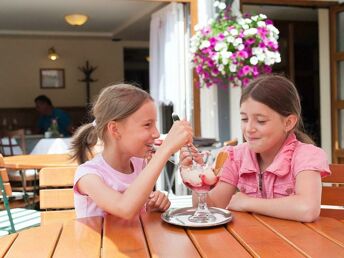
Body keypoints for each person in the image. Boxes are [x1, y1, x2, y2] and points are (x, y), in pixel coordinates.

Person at [180, 74, 330, 222]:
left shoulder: (306, 156)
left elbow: (307, 209)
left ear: (288, 123)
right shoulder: (235, 157)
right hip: (250, 243)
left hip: (295, 244)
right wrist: (198, 175)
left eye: (260, 121)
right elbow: (212, 208)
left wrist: (248, 202)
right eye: (244, 119)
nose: (249, 128)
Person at [70, 84, 193, 219]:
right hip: (97, 240)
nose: (156, 133)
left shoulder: (140, 164)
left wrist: (150, 207)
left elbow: (135, 213)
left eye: (154, 124)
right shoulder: (88, 175)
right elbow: (124, 208)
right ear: (115, 129)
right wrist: (165, 149)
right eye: (147, 125)